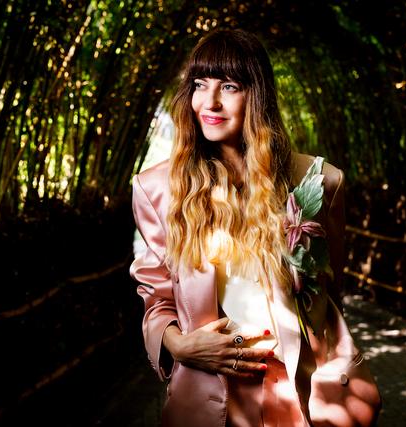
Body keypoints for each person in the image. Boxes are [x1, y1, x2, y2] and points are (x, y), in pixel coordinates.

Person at [130, 29, 381, 426]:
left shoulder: (319, 181)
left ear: (258, 94)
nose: (209, 102)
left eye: (229, 86)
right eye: (200, 84)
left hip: (298, 391)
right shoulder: (158, 189)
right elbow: (156, 299)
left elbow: (330, 290)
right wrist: (180, 346)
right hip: (210, 395)